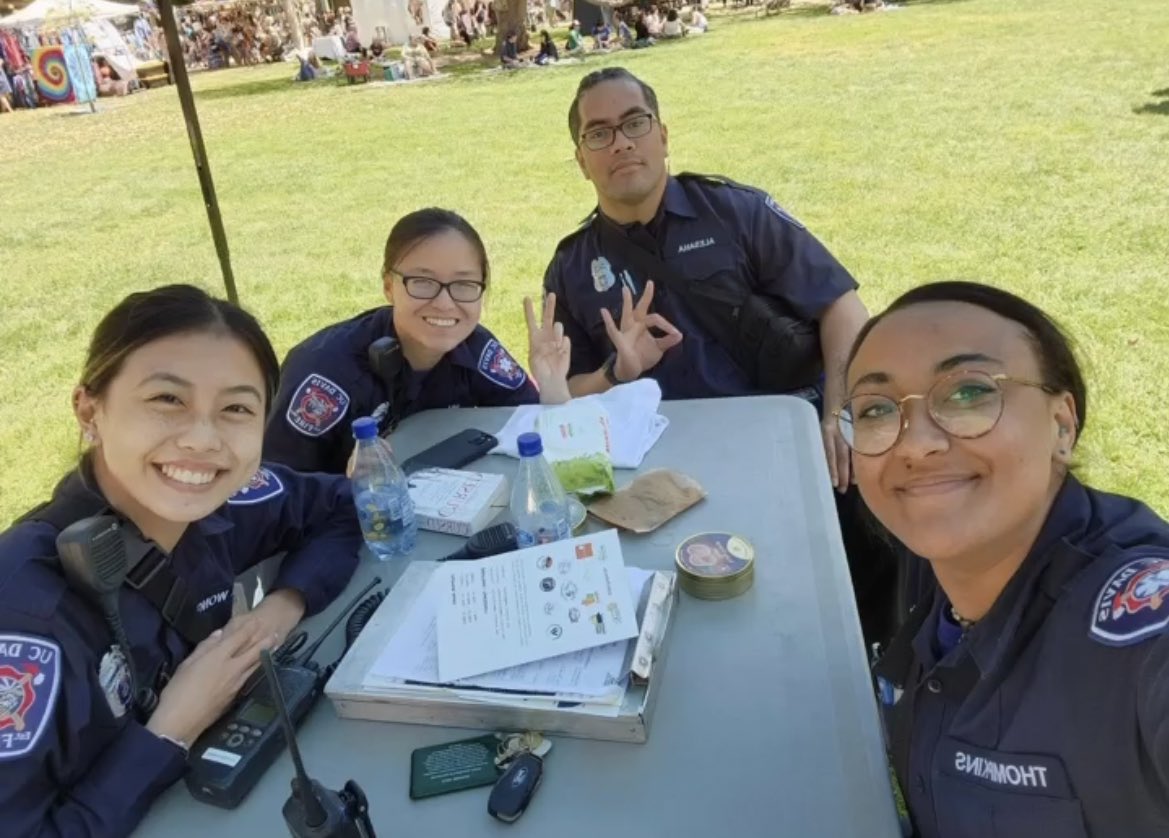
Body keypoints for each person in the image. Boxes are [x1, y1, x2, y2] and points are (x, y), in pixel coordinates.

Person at [543, 68, 896, 641]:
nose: (621, 143)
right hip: (664, 474)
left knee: (849, 585)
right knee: (705, 625)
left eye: (635, 124)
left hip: (784, 436)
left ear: (663, 135)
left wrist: (839, 411)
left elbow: (841, 306)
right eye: (599, 133)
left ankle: (879, 654)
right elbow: (565, 393)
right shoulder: (573, 266)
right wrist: (616, 371)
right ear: (582, 159)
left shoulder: (736, 213)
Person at [0, 285, 363, 836]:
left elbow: (343, 505)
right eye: (168, 400)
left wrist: (281, 609)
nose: (202, 439)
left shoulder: (222, 502)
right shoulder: (26, 620)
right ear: (89, 410)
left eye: (236, 408)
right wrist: (170, 730)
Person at [839, 281, 1169, 836]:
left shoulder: (1139, 626)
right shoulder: (930, 567)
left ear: (1061, 425)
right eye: (875, 409)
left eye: (969, 392)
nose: (914, 444)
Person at [265, 208, 571, 475]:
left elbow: (533, 428)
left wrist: (553, 390)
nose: (444, 304)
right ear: (389, 287)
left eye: (464, 284)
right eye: (422, 282)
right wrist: (346, 485)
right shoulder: (325, 373)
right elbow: (268, 485)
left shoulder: (475, 348)